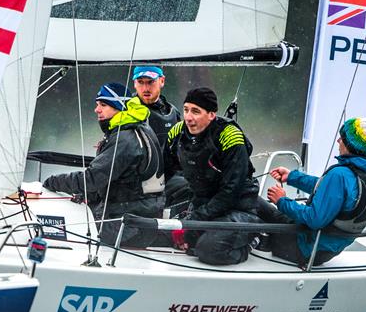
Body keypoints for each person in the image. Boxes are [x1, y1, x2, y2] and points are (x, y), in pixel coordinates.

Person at [42, 82, 164, 247]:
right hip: (138, 220)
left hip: (127, 226)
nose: (97, 109)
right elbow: (120, 181)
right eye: (97, 104)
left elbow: (92, 179)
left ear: (119, 108)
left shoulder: (125, 138)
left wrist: (51, 182)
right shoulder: (138, 128)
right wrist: (88, 196)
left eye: (103, 105)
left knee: (58, 226)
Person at [264, 117, 366, 267]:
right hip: (326, 250)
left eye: (342, 138)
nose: (338, 141)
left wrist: (282, 201)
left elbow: (315, 219)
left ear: (350, 145)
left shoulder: (340, 175)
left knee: (256, 206)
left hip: (304, 247)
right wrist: (292, 177)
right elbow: (330, 192)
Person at [164, 87, 261, 265]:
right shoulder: (177, 132)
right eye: (185, 110)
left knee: (208, 251)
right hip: (205, 205)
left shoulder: (230, 137)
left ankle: (255, 239)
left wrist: (193, 221)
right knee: (175, 238)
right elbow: (165, 170)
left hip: (238, 207)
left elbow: (230, 192)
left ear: (211, 115)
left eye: (195, 111)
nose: (188, 117)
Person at [132, 65, 191, 216]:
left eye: (150, 82)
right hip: (142, 183)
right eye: (140, 82)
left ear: (162, 81)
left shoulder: (173, 112)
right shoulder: (127, 112)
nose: (145, 88)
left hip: (170, 176)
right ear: (134, 84)